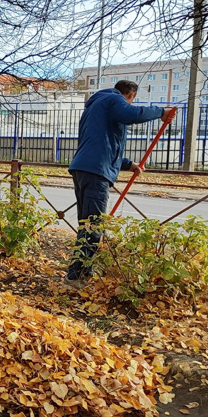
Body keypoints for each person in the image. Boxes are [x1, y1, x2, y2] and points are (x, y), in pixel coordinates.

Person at [66, 80, 173, 283]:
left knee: (86, 225)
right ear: (131, 95)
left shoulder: (96, 106)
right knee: (93, 227)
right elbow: (130, 115)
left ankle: (85, 271)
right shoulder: (114, 100)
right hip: (96, 171)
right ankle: (75, 277)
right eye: (131, 101)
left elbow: (102, 144)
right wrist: (161, 112)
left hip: (84, 167)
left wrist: (128, 164)